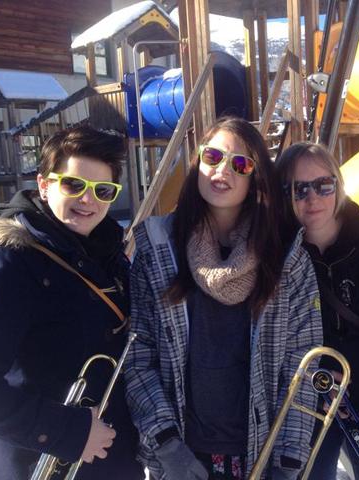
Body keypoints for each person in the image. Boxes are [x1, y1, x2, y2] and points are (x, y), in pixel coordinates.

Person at [125, 117, 323, 480]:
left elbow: (303, 366)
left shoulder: (286, 259)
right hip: (183, 451)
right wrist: (166, 443)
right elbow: (138, 357)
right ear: (198, 160)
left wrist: (287, 462)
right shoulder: (158, 249)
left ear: (255, 178)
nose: (222, 171)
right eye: (213, 156)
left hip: (260, 452)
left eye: (240, 164)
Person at [0, 125, 143, 480]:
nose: (88, 200)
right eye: (74, 185)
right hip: (40, 464)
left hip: (110, 461)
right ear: (44, 185)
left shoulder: (109, 255)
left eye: (103, 190)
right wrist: (67, 432)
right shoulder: (10, 260)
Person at [275, 142, 359, 480]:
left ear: (338, 184)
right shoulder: (277, 253)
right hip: (307, 406)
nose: (312, 198)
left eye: (323, 185)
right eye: (298, 189)